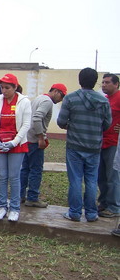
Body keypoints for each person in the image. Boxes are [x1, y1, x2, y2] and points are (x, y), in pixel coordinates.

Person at [57, 67, 112, 222]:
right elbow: (107, 124)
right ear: (95, 82)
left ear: (79, 80)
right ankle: (91, 214)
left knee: (75, 180)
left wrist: (71, 126)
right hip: (94, 147)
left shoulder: (71, 98)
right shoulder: (103, 101)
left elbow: (61, 122)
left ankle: (74, 213)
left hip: (75, 146)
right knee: (91, 180)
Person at [0, 73, 31, 222]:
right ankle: (1, 206)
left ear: (15, 87)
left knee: (14, 176)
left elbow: (26, 124)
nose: (4, 91)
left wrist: (14, 142)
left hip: (16, 144)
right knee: (2, 176)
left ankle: (14, 208)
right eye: (2, 87)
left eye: (7, 88)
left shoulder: (24, 102)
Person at [20, 83, 67, 208]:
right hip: (34, 141)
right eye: (61, 96)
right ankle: (32, 198)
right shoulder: (47, 102)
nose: (61, 99)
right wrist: (41, 137)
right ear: (56, 91)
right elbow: (36, 118)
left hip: (27, 139)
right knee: (36, 170)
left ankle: (20, 195)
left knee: (25, 169)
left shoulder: (39, 98)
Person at [97, 74, 120, 218]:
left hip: (114, 143)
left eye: (107, 82)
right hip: (102, 142)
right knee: (102, 176)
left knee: (113, 176)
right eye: (103, 82)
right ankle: (104, 202)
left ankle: (114, 207)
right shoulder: (105, 100)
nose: (104, 85)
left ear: (116, 84)